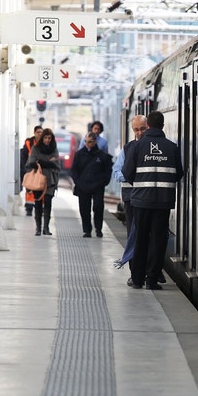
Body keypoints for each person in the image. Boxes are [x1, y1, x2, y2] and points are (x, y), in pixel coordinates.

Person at [123, 111, 184, 289]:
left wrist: (141, 184)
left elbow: (127, 172)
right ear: (163, 125)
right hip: (163, 202)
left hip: (141, 201)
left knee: (140, 239)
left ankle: (137, 279)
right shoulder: (172, 147)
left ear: (148, 125)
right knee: (158, 240)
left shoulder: (137, 146)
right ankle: (152, 280)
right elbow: (179, 173)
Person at [113, 115, 148, 253]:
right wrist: (130, 177)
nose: (140, 133)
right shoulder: (127, 148)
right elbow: (116, 172)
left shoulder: (152, 147)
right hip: (130, 197)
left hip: (147, 197)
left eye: (143, 129)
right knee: (132, 234)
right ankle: (133, 262)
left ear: (148, 127)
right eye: (136, 130)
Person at [71, 132, 113, 238]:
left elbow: (107, 170)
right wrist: (78, 182)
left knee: (98, 207)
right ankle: (87, 230)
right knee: (84, 209)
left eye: (90, 142)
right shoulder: (79, 154)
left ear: (95, 142)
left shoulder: (102, 156)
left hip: (97, 185)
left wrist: (104, 182)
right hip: (83, 185)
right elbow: (74, 170)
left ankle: (98, 229)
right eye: (86, 141)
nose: (87, 144)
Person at [26, 128, 61, 236]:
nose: (47, 140)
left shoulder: (54, 149)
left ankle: (46, 227)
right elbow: (32, 163)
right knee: (38, 203)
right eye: (45, 137)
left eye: (49, 138)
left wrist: (41, 162)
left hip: (50, 180)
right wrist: (48, 162)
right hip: (38, 180)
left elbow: (57, 165)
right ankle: (38, 228)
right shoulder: (35, 148)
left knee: (48, 203)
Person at [20, 126, 43, 216]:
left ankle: (41, 208)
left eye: (41, 132)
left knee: (41, 189)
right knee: (29, 189)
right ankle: (29, 208)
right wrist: (25, 169)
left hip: (41, 171)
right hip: (30, 170)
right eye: (38, 132)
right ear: (34, 133)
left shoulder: (46, 142)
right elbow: (24, 157)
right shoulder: (28, 143)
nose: (40, 134)